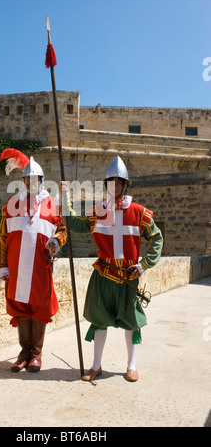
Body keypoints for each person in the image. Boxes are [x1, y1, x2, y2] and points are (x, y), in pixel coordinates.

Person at [60, 156, 163, 382]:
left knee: (131, 323)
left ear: (125, 185)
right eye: (110, 183)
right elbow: (74, 224)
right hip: (104, 275)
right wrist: (65, 198)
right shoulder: (97, 211)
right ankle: (96, 365)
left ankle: (131, 365)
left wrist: (144, 264)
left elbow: (157, 238)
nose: (114, 187)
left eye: (118, 183)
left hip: (128, 277)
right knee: (99, 320)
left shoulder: (139, 213)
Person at [0, 150, 67, 373]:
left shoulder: (52, 205)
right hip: (17, 267)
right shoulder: (12, 205)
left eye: (35, 179)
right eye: (28, 179)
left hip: (40, 266)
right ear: (24, 181)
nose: (31, 182)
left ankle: (36, 353)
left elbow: (63, 230)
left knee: (39, 307)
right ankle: (23, 352)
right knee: (20, 308)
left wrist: (56, 241)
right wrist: (2, 266)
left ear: (41, 181)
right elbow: (2, 237)